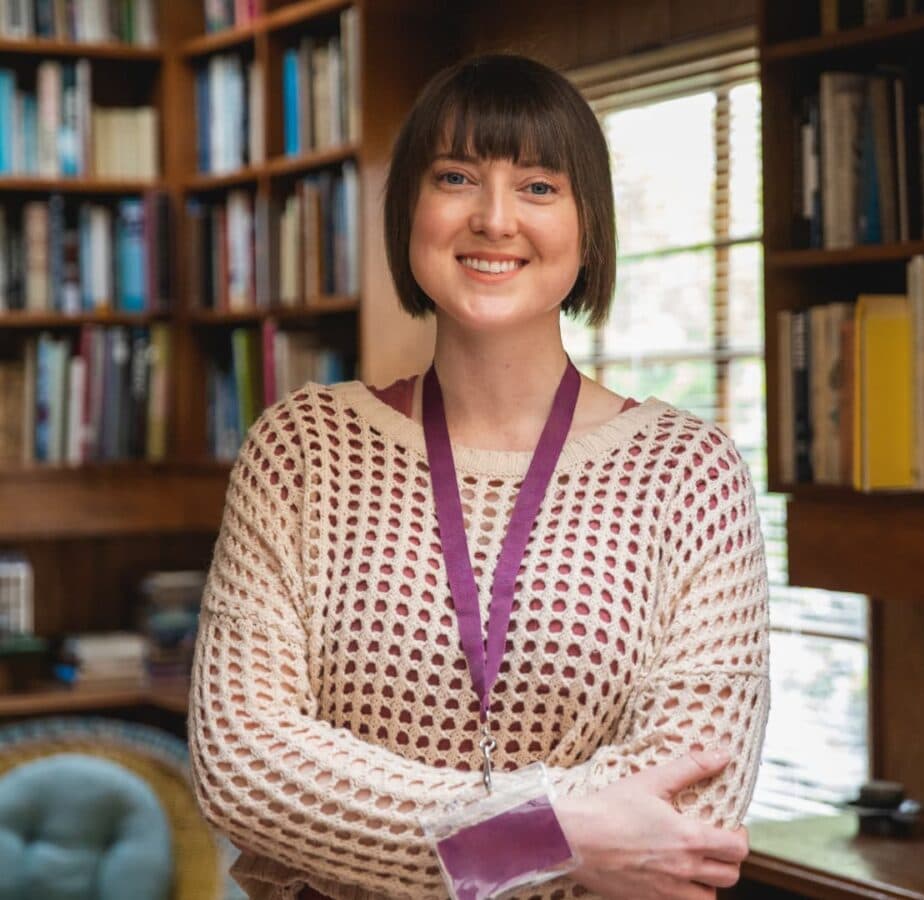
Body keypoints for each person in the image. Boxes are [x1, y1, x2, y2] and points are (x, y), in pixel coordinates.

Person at [189, 53, 770, 900]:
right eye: (457, 176)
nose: (495, 219)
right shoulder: (302, 449)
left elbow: (691, 801)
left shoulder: (689, 474)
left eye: (539, 186)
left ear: (589, 227)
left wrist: (398, 833)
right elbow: (244, 769)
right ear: (409, 212)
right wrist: (559, 840)